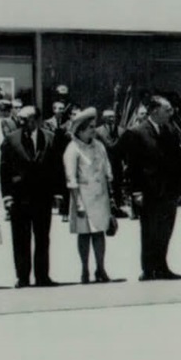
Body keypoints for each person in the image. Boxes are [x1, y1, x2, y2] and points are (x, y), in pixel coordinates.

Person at [120, 96, 181, 280]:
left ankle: (162, 266)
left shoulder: (171, 131)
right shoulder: (137, 133)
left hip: (169, 191)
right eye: (167, 110)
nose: (171, 114)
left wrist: (178, 187)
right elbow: (132, 166)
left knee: (165, 230)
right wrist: (135, 191)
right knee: (149, 230)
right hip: (148, 191)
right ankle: (148, 269)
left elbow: (177, 161)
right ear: (155, 111)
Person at [0, 107, 61, 288]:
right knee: (20, 238)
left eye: (25, 119)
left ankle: (42, 276)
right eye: (19, 119)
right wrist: (7, 196)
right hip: (20, 198)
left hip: (43, 197)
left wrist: (58, 193)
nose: (21, 122)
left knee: (42, 237)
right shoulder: (11, 140)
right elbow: (4, 169)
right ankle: (23, 277)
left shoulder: (49, 138)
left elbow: (56, 167)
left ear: (36, 120)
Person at [64, 109, 115, 284]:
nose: (94, 131)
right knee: (84, 234)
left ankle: (100, 268)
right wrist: (78, 203)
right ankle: (84, 269)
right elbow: (71, 177)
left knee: (99, 233)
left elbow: (107, 168)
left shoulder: (99, 146)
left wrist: (111, 193)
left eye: (94, 127)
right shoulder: (72, 149)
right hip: (83, 197)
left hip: (100, 196)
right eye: (90, 128)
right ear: (80, 130)